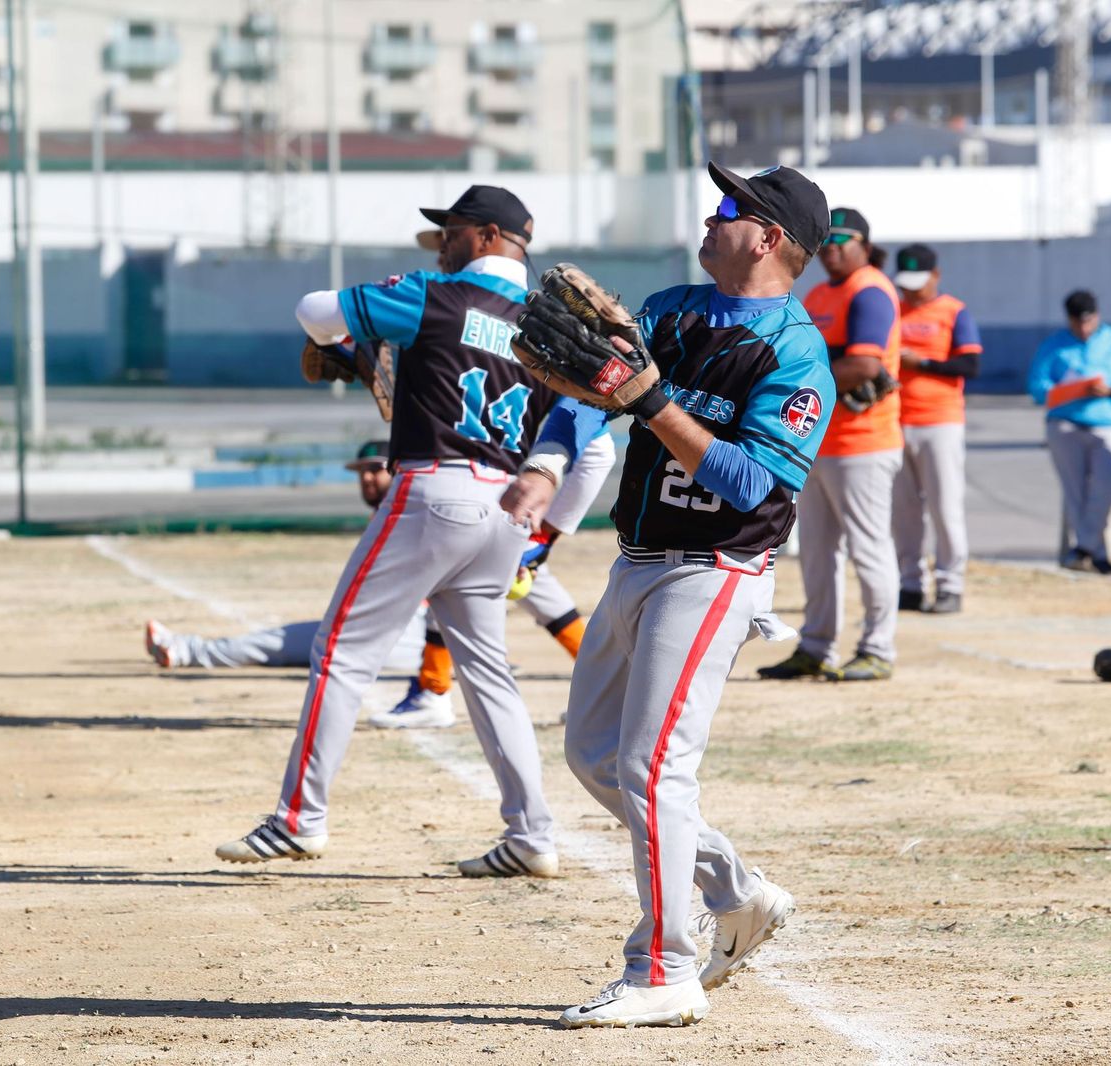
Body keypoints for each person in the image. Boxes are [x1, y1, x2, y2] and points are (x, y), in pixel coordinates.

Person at [502, 162, 835, 1028]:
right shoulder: (670, 308)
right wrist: (545, 465)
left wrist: (649, 400)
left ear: (769, 239)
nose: (711, 213)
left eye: (730, 207)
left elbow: (750, 484)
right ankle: (737, 891)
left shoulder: (795, 349)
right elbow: (588, 392)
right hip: (637, 558)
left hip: (714, 568)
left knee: (653, 766)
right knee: (594, 756)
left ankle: (662, 970)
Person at [215, 185, 564, 879]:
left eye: (454, 230)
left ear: (490, 235)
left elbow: (314, 310)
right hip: (504, 502)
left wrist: (347, 340)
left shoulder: (439, 295)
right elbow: (572, 422)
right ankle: (532, 833)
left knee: (341, 652)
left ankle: (298, 819)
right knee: (488, 672)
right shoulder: (542, 325)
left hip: (433, 491)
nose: (443, 241)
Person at [374, 424, 614, 728]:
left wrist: (543, 539)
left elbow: (597, 447)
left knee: (452, 593)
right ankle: (610, 694)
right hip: (497, 512)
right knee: (553, 608)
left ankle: (432, 691)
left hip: (502, 513)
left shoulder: (556, 394)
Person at [760, 207, 901, 681]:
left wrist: (799, 380)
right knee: (817, 552)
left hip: (864, 442)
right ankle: (817, 647)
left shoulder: (870, 290)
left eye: (845, 239)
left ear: (865, 244)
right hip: (818, 442)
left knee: (869, 548)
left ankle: (878, 648)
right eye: (828, 241)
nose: (835, 249)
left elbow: (863, 364)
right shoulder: (819, 292)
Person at [144, 440, 430, 673]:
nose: (366, 478)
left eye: (375, 469)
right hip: (394, 631)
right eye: (360, 472)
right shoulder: (390, 514)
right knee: (287, 642)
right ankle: (183, 649)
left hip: (403, 632)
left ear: (395, 470)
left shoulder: (407, 515)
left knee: (280, 642)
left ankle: (183, 650)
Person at [889, 243, 982, 614]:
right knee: (904, 511)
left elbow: (970, 365)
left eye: (918, 283)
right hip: (896, 421)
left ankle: (950, 584)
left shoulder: (954, 312)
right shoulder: (892, 310)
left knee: (945, 507)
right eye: (905, 284)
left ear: (936, 276)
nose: (910, 292)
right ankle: (910, 583)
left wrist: (921, 363)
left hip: (939, 421)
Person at [1026, 290, 1111, 573]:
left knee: (1104, 487)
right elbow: (1037, 386)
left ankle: (1085, 546)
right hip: (1065, 424)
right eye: (1077, 322)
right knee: (1075, 492)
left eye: (1088, 321)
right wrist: (1065, 392)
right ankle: (1097, 552)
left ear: (1097, 316)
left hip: (1104, 422)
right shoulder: (1054, 345)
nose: (1084, 328)